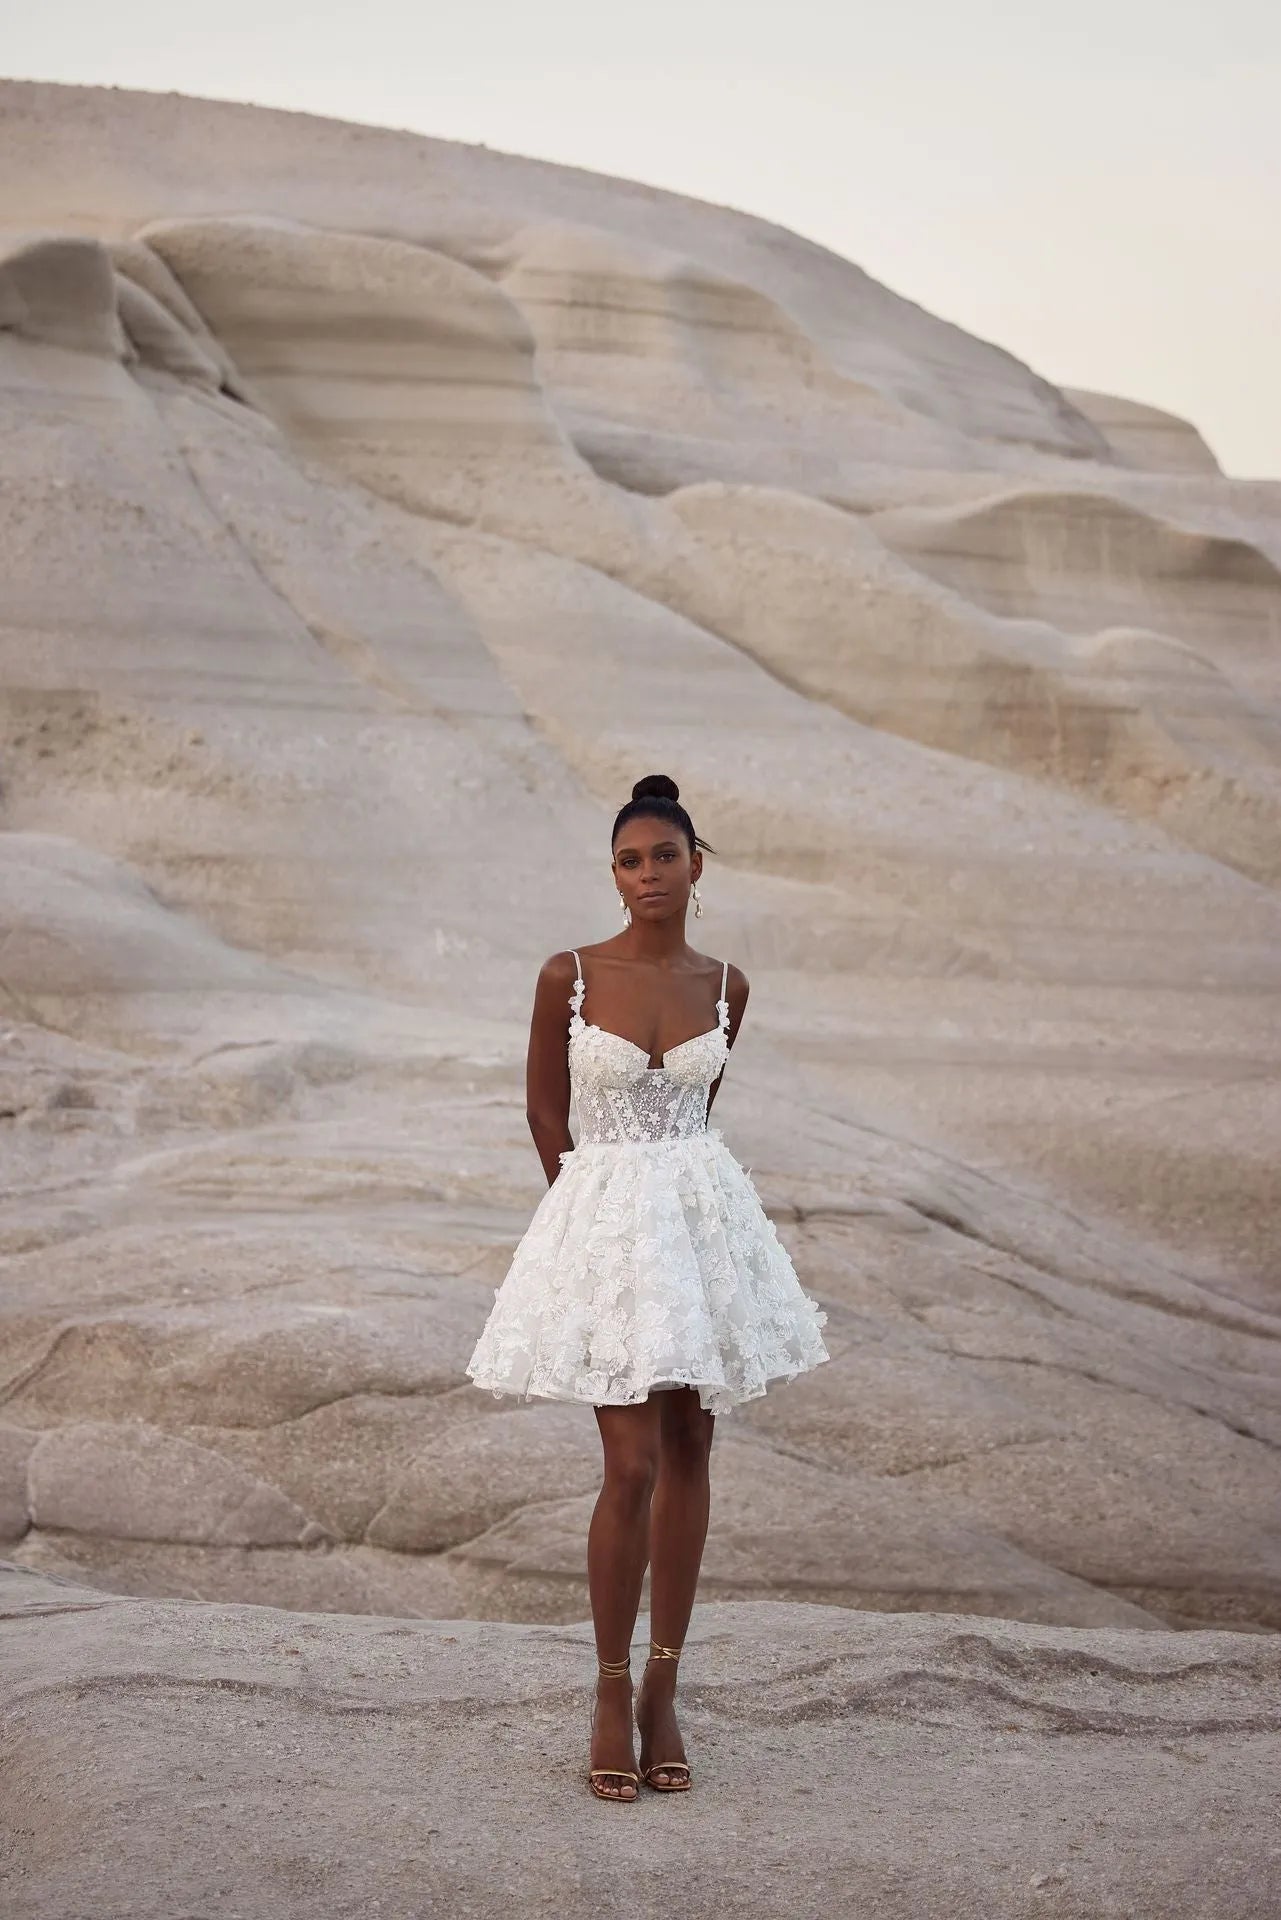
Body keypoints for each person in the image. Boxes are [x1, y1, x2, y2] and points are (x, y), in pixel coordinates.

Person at [466, 773, 830, 1801]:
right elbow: (546, 1112)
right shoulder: (568, 975)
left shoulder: (730, 986)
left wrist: (664, 1217)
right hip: (608, 1228)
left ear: (695, 864)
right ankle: (608, 1688)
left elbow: (697, 1115)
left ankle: (665, 1691)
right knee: (629, 1464)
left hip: (702, 1225)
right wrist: (587, 1232)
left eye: (663, 857)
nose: (646, 875)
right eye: (629, 860)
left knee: (692, 1445)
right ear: (614, 872)